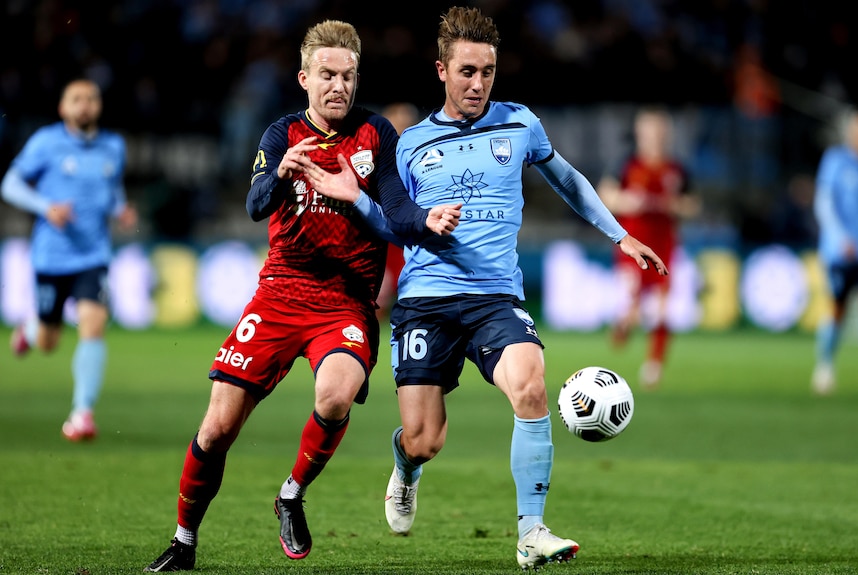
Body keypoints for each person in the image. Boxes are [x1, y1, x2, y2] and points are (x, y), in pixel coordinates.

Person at [302, 6, 668, 570]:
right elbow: (393, 222)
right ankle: (405, 465)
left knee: (530, 386)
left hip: (496, 297)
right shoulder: (409, 144)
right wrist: (358, 198)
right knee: (426, 438)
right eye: (467, 71)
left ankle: (531, 532)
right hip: (425, 302)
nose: (478, 83)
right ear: (442, 71)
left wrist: (618, 234)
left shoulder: (520, 124)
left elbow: (566, 178)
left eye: (488, 71)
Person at [143, 20, 460, 572]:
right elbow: (254, 205)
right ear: (305, 79)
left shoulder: (376, 133)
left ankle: (292, 492)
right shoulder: (281, 135)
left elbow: (395, 207)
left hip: (345, 302)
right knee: (217, 429)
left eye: (349, 75)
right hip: (279, 297)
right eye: (328, 75)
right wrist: (283, 176)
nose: (339, 85)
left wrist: (424, 218)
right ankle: (183, 541)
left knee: (336, 396)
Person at [1, 78, 137, 441]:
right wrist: (46, 207)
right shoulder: (46, 143)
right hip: (51, 257)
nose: (85, 105)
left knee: (93, 323)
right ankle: (30, 331)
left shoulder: (113, 146)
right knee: (49, 340)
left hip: (93, 255)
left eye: (91, 98)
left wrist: (120, 209)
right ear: (63, 108)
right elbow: (10, 184)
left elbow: (111, 189)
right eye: (76, 99)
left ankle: (82, 414)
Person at [597, 106, 700, 389]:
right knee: (633, 304)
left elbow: (692, 205)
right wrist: (627, 201)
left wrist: (675, 205)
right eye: (649, 131)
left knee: (663, 309)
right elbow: (605, 196)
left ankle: (653, 367)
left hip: (665, 245)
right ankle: (624, 324)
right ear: (640, 134)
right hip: (633, 245)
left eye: (659, 131)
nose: (654, 137)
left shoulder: (676, 170)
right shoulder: (626, 166)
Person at [810, 106, 858, 395]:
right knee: (837, 309)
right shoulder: (837, 160)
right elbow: (825, 203)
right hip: (842, 252)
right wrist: (840, 237)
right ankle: (825, 364)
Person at [376, 102, 421, 318]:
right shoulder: (370, 166)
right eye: (396, 130)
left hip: (411, 244)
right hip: (382, 245)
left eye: (406, 129)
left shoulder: (423, 167)